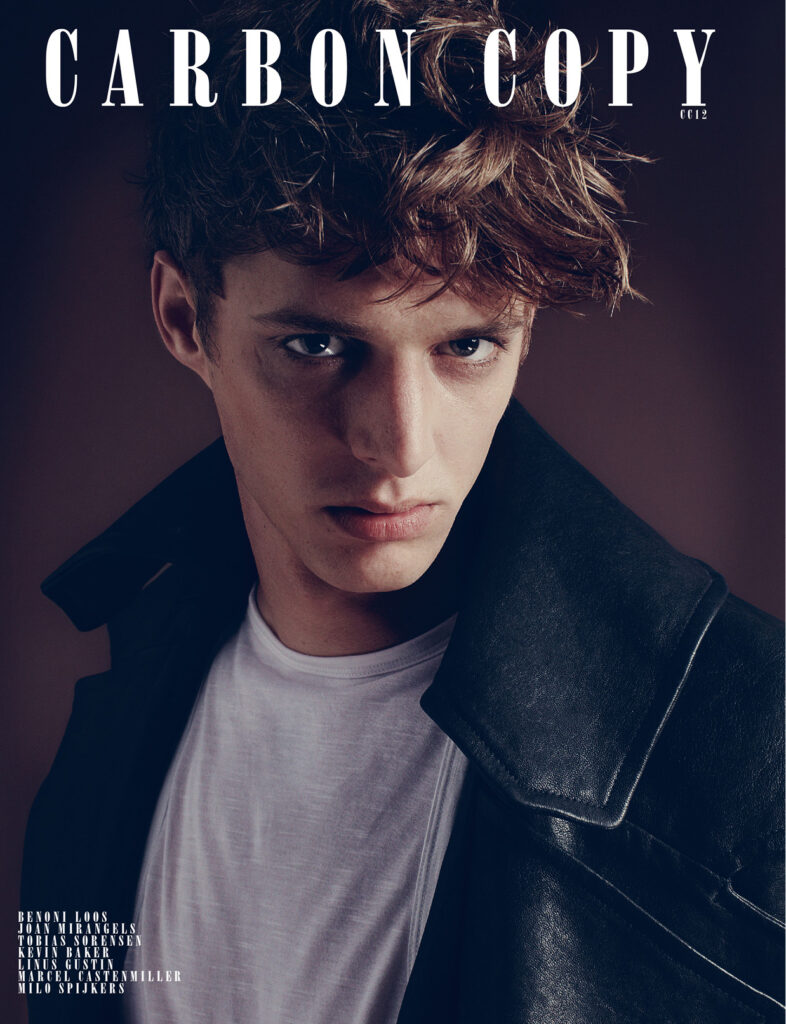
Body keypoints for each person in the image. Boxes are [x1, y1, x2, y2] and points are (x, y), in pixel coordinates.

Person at [22, 1, 784, 1022]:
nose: (401, 447)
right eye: (316, 346)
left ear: (523, 332)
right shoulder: (98, 747)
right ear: (182, 318)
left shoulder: (753, 760)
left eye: (467, 345)